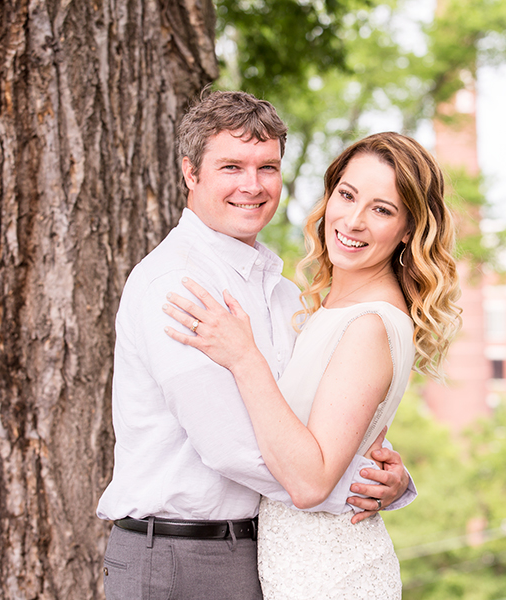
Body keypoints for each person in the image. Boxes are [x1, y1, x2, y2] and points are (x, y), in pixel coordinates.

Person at [96, 91, 417, 599]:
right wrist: (347, 487)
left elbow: (312, 415)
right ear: (190, 173)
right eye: (231, 166)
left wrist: (387, 477)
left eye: (266, 167)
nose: (252, 185)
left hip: (259, 552)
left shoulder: (283, 291)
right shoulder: (179, 285)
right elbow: (231, 445)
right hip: (180, 557)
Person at [162, 131, 462, 598]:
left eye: (382, 209)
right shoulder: (332, 310)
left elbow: (309, 482)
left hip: (330, 575)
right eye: (347, 195)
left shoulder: (369, 323)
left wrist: (245, 359)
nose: (354, 220)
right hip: (298, 569)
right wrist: (388, 478)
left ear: (408, 228)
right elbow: (333, 429)